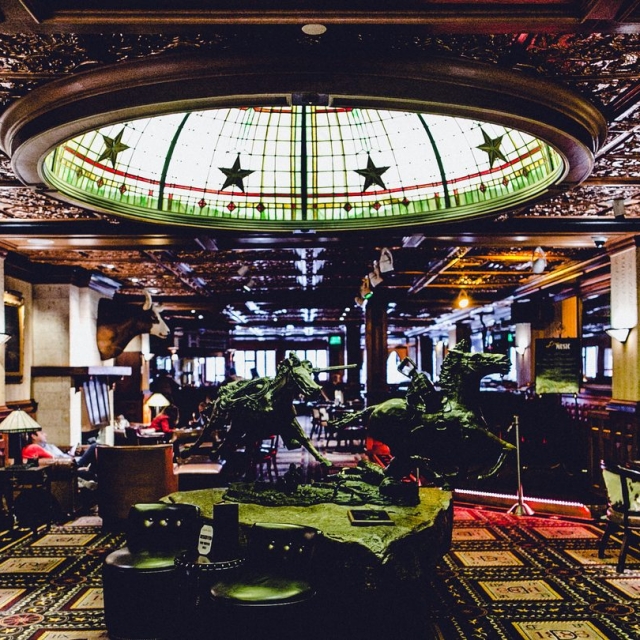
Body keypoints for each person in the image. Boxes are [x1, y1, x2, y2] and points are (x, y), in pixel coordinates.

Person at [22, 429, 98, 480]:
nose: (45, 435)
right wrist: (75, 466)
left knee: (95, 465)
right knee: (94, 446)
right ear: (33, 436)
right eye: (41, 433)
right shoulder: (34, 447)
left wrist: (71, 453)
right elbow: (52, 458)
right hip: (68, 466)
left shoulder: (48, 446)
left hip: (69, 461)